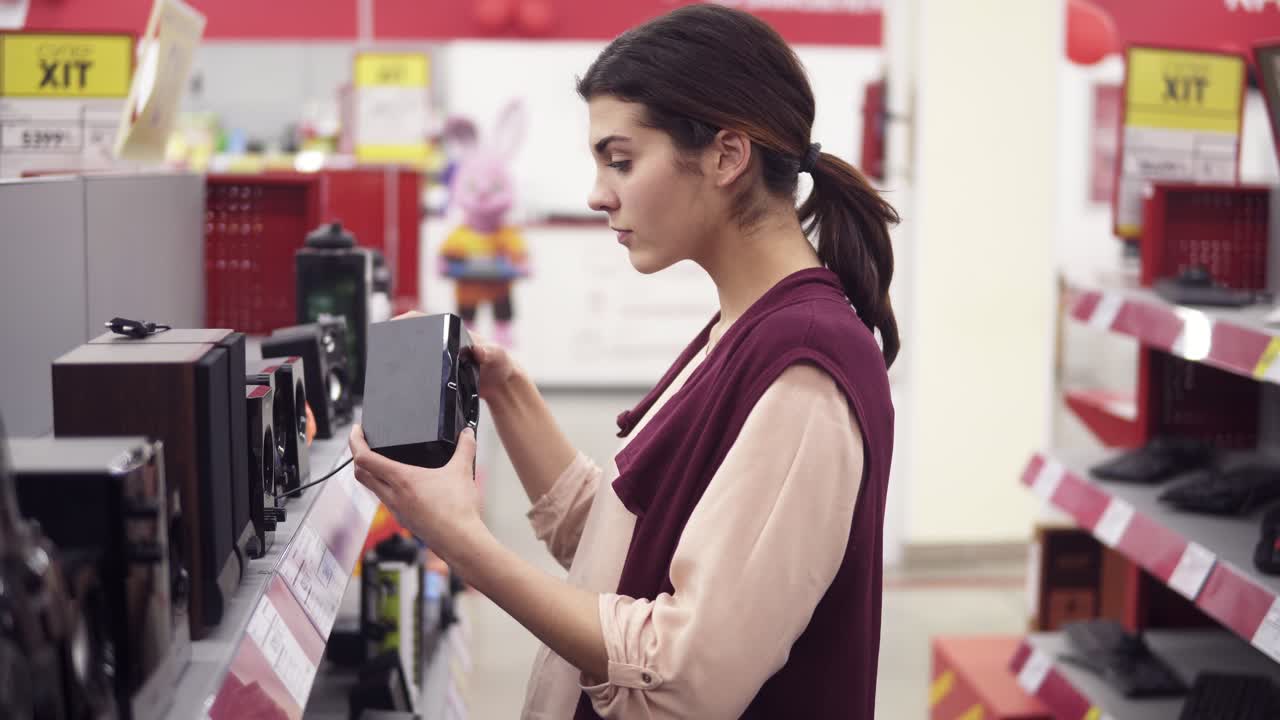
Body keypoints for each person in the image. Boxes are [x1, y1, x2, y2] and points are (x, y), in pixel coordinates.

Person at [349, 5, 898, 718]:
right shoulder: (742, 327)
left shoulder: (803, 370)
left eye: (621, 160)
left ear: (727, 157)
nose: (597, 193)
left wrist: (462, 541)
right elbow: (615, 538)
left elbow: (683, 675)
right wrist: (506, 391)